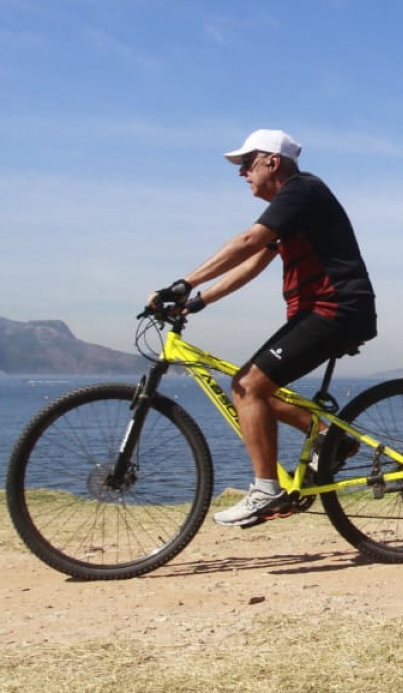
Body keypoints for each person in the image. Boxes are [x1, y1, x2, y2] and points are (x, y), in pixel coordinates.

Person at [149, 128, 377, 527]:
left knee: (247, 386)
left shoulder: (302, 190)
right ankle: (332, 439)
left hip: (335, 309)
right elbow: (253, 263)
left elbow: (248, 241)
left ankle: (266, 490)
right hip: (324, 311)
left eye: (247, 164)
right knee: (255, 391)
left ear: (273, 162)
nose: (242, 173)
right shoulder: (293, 208)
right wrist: (199, 300)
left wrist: (184, 282)